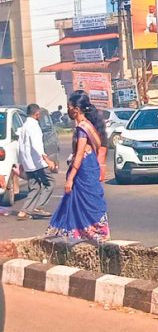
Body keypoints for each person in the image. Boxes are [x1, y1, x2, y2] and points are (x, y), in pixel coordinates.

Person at [46, 92, 110, 241]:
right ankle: (84, 231)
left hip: (85, 169)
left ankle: (95, 231)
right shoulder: (89, 125)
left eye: (69, 107)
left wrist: (70, 178)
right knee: (82, 200)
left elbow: (80, 154)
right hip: (90, 166)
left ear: (76, 109)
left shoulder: (83, 128)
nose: (68, 110)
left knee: (88, 200)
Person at [16, 104, 57, 220]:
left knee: (35, 187)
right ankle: (38, 207)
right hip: (37, 162)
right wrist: (47, 159)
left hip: (28, 163)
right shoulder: (34, 126)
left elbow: (21, 146)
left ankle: (24, 211)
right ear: (37, 114)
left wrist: (22, 162)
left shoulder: (24, 126)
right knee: (50, 183)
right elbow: (36, 144)